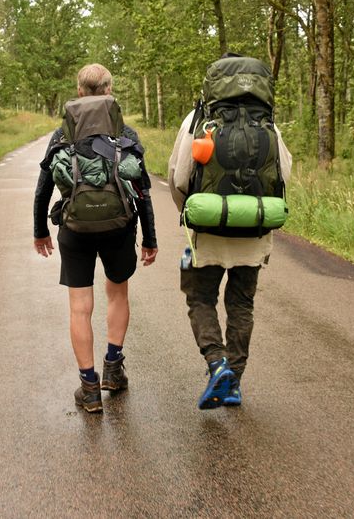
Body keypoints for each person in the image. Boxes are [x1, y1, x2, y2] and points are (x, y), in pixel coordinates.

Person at [168, 54, 292, 409]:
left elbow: (178, 177)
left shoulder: (198, 121)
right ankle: (234, 381)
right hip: (253, 232)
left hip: (207, 231)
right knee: (241, 303)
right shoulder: (268, 124)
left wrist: (191, 215)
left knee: (200, 298)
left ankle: (217, 362)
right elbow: (285, 175)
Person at [33, 63, 159, 413]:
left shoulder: (62, 134)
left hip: (75, 229)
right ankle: (113, 369)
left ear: (79, 91)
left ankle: (89, 390)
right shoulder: (126, 132)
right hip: (119, 226)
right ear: (109, 91)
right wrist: (149, 238)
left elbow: (44, 188)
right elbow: (142, 190)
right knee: (117, 293)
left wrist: (40, 230)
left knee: (79, 307)